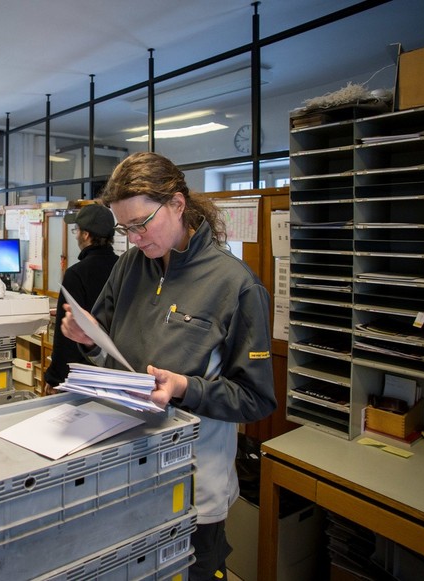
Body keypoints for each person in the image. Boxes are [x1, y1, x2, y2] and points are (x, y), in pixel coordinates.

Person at [60, 151, 276, 580]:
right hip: (122, 461)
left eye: (142, 223)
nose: (135, 237)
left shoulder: (235, 285)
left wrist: (183, 387)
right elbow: (105, 348)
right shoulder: (129, 266)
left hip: (191, 477)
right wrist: (86, 340)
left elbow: (255, 398)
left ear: (178, 204)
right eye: (125, 228)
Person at [44, 203, 118, 393]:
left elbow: (66, 335)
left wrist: (55, 378)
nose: (76, 235)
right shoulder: (123, 267)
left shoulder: (76, 274)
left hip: (81, 375)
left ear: (86, 235)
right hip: (116, 372)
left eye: (76, 230)